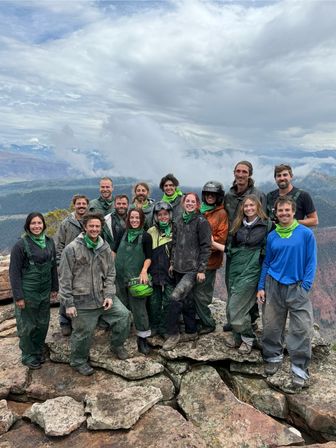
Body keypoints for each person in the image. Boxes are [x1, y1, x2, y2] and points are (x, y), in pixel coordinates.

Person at [58, 212, 131, 376]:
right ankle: (78, 361)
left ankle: (117, 345)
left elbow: (111, 273)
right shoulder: (72, 249)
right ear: (85, 227)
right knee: (83, 332)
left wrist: (109, 295)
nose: (94, 229)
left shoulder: (104, 247)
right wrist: (68, 304)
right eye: (91, 226)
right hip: (82, 300)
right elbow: (64, 278)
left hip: (102, 296)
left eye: (97, 226)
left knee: (124, 316)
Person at [257, 196, 317, 391]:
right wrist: (261, 286)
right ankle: (273, 357)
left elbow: (311, 260)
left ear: (293, 212)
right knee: (272, 325)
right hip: (274, 284)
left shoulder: (305, 234)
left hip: (297, 286)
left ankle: (299, 369)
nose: (283, 213)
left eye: (287, 210)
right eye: (280, 210)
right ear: (276, 213)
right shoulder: (272, 236)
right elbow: (267, 262)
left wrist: (306, 285)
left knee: (301, 328)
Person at [223, 195, 272, 354]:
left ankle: (248, 338)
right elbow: (230, 249)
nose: (249, 208)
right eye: (246, 206)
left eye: (252, 205)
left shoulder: (267, 226)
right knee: (234, 306)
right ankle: (238, 337)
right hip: (235, 269)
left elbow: (268, 252)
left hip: (252, 270)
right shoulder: (238, 226)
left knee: (236, 307)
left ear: (258, 207)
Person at [9, 212, 58, 369]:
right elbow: (14, 273)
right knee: (28, 325)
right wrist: (19, 297)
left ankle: (37, 351)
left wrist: (54, 288)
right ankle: (28, 356)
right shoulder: (20, 246)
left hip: (44, 290)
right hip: (28, 291)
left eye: (39, 223)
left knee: (43, 323)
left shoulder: (50, 242)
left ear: (44, 225)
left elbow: (53, 267)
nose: (37, 226)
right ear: (28, 226)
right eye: (33, 224)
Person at [162, 193, 211, 351]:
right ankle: (191, 330)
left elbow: (206, 247)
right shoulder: (178, 220)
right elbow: (174, 243)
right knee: (187, 300)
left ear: (197, 204)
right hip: (177, 267)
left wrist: (202, 269)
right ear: (183, 203)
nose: (190, 204)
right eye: (187, 201)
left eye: (193, 201)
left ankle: (173, 333)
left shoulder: (202, 222)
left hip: (192, 268)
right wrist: (171, 262)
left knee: (175, 298)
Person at [224, 161, 266, 332]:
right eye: (238, 171)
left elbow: (264, 221)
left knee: (248, 287)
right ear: (234, 173)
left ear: (250, 174)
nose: (241, 174)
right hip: (233, 247)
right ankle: (234, 319)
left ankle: (250, 320)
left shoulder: (258, 194)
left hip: (253, 250)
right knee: (232, 284)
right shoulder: (229, 196)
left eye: (244, 171)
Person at [114, 208, 153, 355]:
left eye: (137, 218)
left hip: (136, 279)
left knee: (139, 309)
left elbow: (149, 257)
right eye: (132, 218)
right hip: (119, 277)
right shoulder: (121, 233)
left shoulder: (146, 236)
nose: (134, 220)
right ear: (128, 219)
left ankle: (142, 339)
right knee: (121, 307)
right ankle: (122, 335)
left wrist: (144, 271)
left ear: (142, 220)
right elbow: (114, 252)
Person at [193, 181, 228, 334]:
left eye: (213, 194)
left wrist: (202, 246)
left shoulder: (221, 214)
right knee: (192, 292)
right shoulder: (199, 211)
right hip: (193, 261)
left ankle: (208, 323)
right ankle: (197, 320)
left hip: (209, 262)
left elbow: (220, 240)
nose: (210, 197)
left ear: (218, 196)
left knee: (202, 295)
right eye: (207, 194)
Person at [56, 194, 89, 336]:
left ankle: (78, 321)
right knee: (66, 291)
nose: (81, 206)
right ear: (74, 205)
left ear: (87, 205)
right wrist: (59, 264)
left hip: (85, 265)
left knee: (81, 294)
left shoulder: (90, 221)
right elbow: (59, 245)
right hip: (68, 263)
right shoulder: (66, 223)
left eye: (83, 204)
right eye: (78, 203)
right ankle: (64, 322)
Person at [147, 201, 174, 338]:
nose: (163, 217)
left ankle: (164, 327)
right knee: (154, 302)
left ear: (170, 215)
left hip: (170, 273)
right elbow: (145, 252)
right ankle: (154, 326)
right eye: (160, 214)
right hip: (154, 272)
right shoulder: (151, 232)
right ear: (156, 216)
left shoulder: (175, 230)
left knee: (169, 300)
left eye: (165, 214)